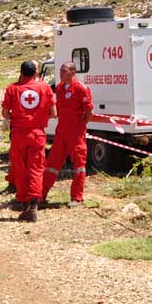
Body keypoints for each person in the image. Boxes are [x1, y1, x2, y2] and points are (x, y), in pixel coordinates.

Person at [2, 60, 55, 222]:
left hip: (19, 133)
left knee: (20, 168)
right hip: (37, 133)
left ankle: (24, 202)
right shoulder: (45, 88)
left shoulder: (12, 88)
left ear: (22, 71)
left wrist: (18, 116)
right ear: (36, 72)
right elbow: (53, 113)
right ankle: (33, 204)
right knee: (36, 169)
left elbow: (5, 114)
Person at [41, 61, 93, 207]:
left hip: (76, 133)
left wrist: (80, 125)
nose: (61, 73)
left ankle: (77, 198)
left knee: (79, 165)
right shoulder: (59, 88)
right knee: (52, 163)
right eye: (60, 71)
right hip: (61, 132)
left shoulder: (81, 89)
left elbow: (89, 112)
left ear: (73, 72)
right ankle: (41, 195)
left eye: (64, 71)